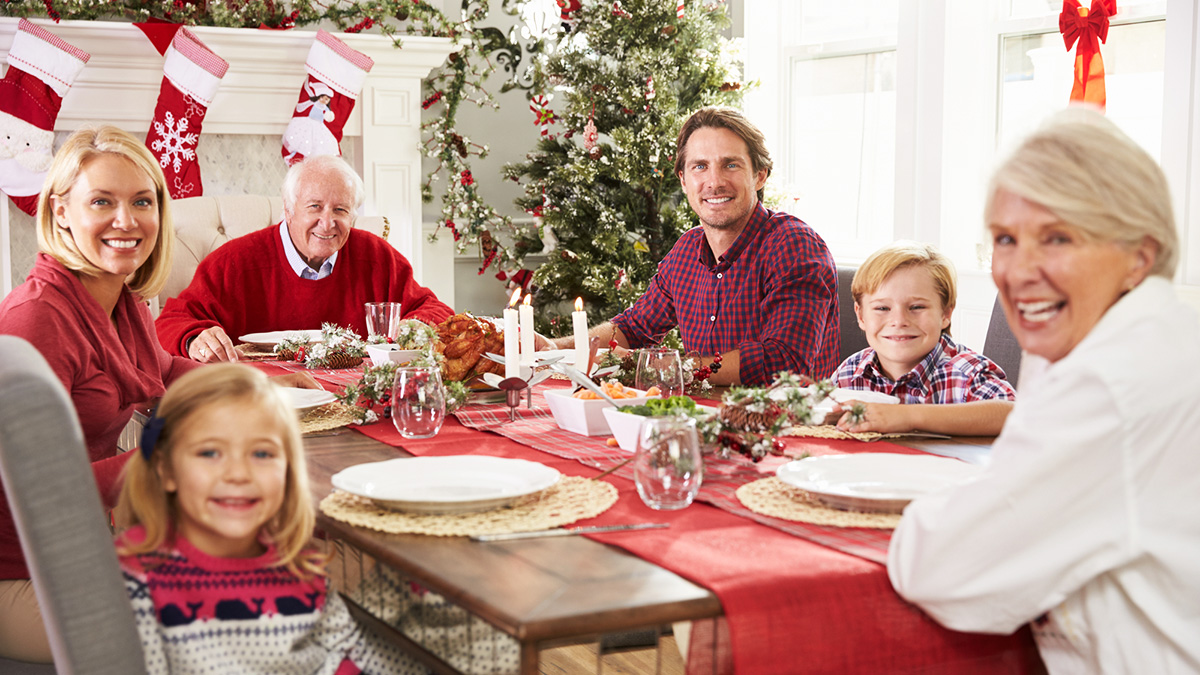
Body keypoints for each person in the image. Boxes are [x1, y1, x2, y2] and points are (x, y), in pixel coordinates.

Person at [888, 108, 1200, 673]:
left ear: (1140, 256)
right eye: (1006, 239)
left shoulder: (1110, 382)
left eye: (1057, 238)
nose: (1020, 270)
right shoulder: (1137, 339)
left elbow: (942, 567)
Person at [0, 125, 316, 664]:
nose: (127, 221)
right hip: (24, 572)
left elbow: (162, 368)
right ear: (59, 211)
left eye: (142, 201)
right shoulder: (38, 318)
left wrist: (254, 384)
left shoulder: (116, 299)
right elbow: (40, 493)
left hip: (80, 545)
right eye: (102, 201)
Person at [115, 364, 426, 674]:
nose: (238, 474)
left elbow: (349, 658)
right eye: (210, 453)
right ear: (166, 469)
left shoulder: (298, 566)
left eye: (262, 454)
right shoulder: (138, 577)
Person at [546, 106, 839, 385]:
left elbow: (783, 361)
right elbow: (633, 328)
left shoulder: (794, 245)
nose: (715, 181)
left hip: (788, 428)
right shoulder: (686, 250)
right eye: (700, 166)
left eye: (731, 164)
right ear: (684, 181)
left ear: (759, 175)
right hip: (698, 419)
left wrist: (659, 366)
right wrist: (552, 348)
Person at [155, 154, 453, 362]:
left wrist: (414, 327)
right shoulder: (234, 262)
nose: (328, 222)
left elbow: (433, 309)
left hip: (358, 401)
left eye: (340, 210)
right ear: (288, 210)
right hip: (264, 402)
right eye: (315, 207)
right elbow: (171, 322)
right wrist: (194, 338)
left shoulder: (376, 257)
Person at [831, 241, 1015, 436]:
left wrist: (906, 416)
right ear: (861, 316)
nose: (899, 321)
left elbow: (1015, 415)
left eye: (917, 307)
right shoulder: (849, 373)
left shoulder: (966, 373)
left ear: (945, 314)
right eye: (882, 308)